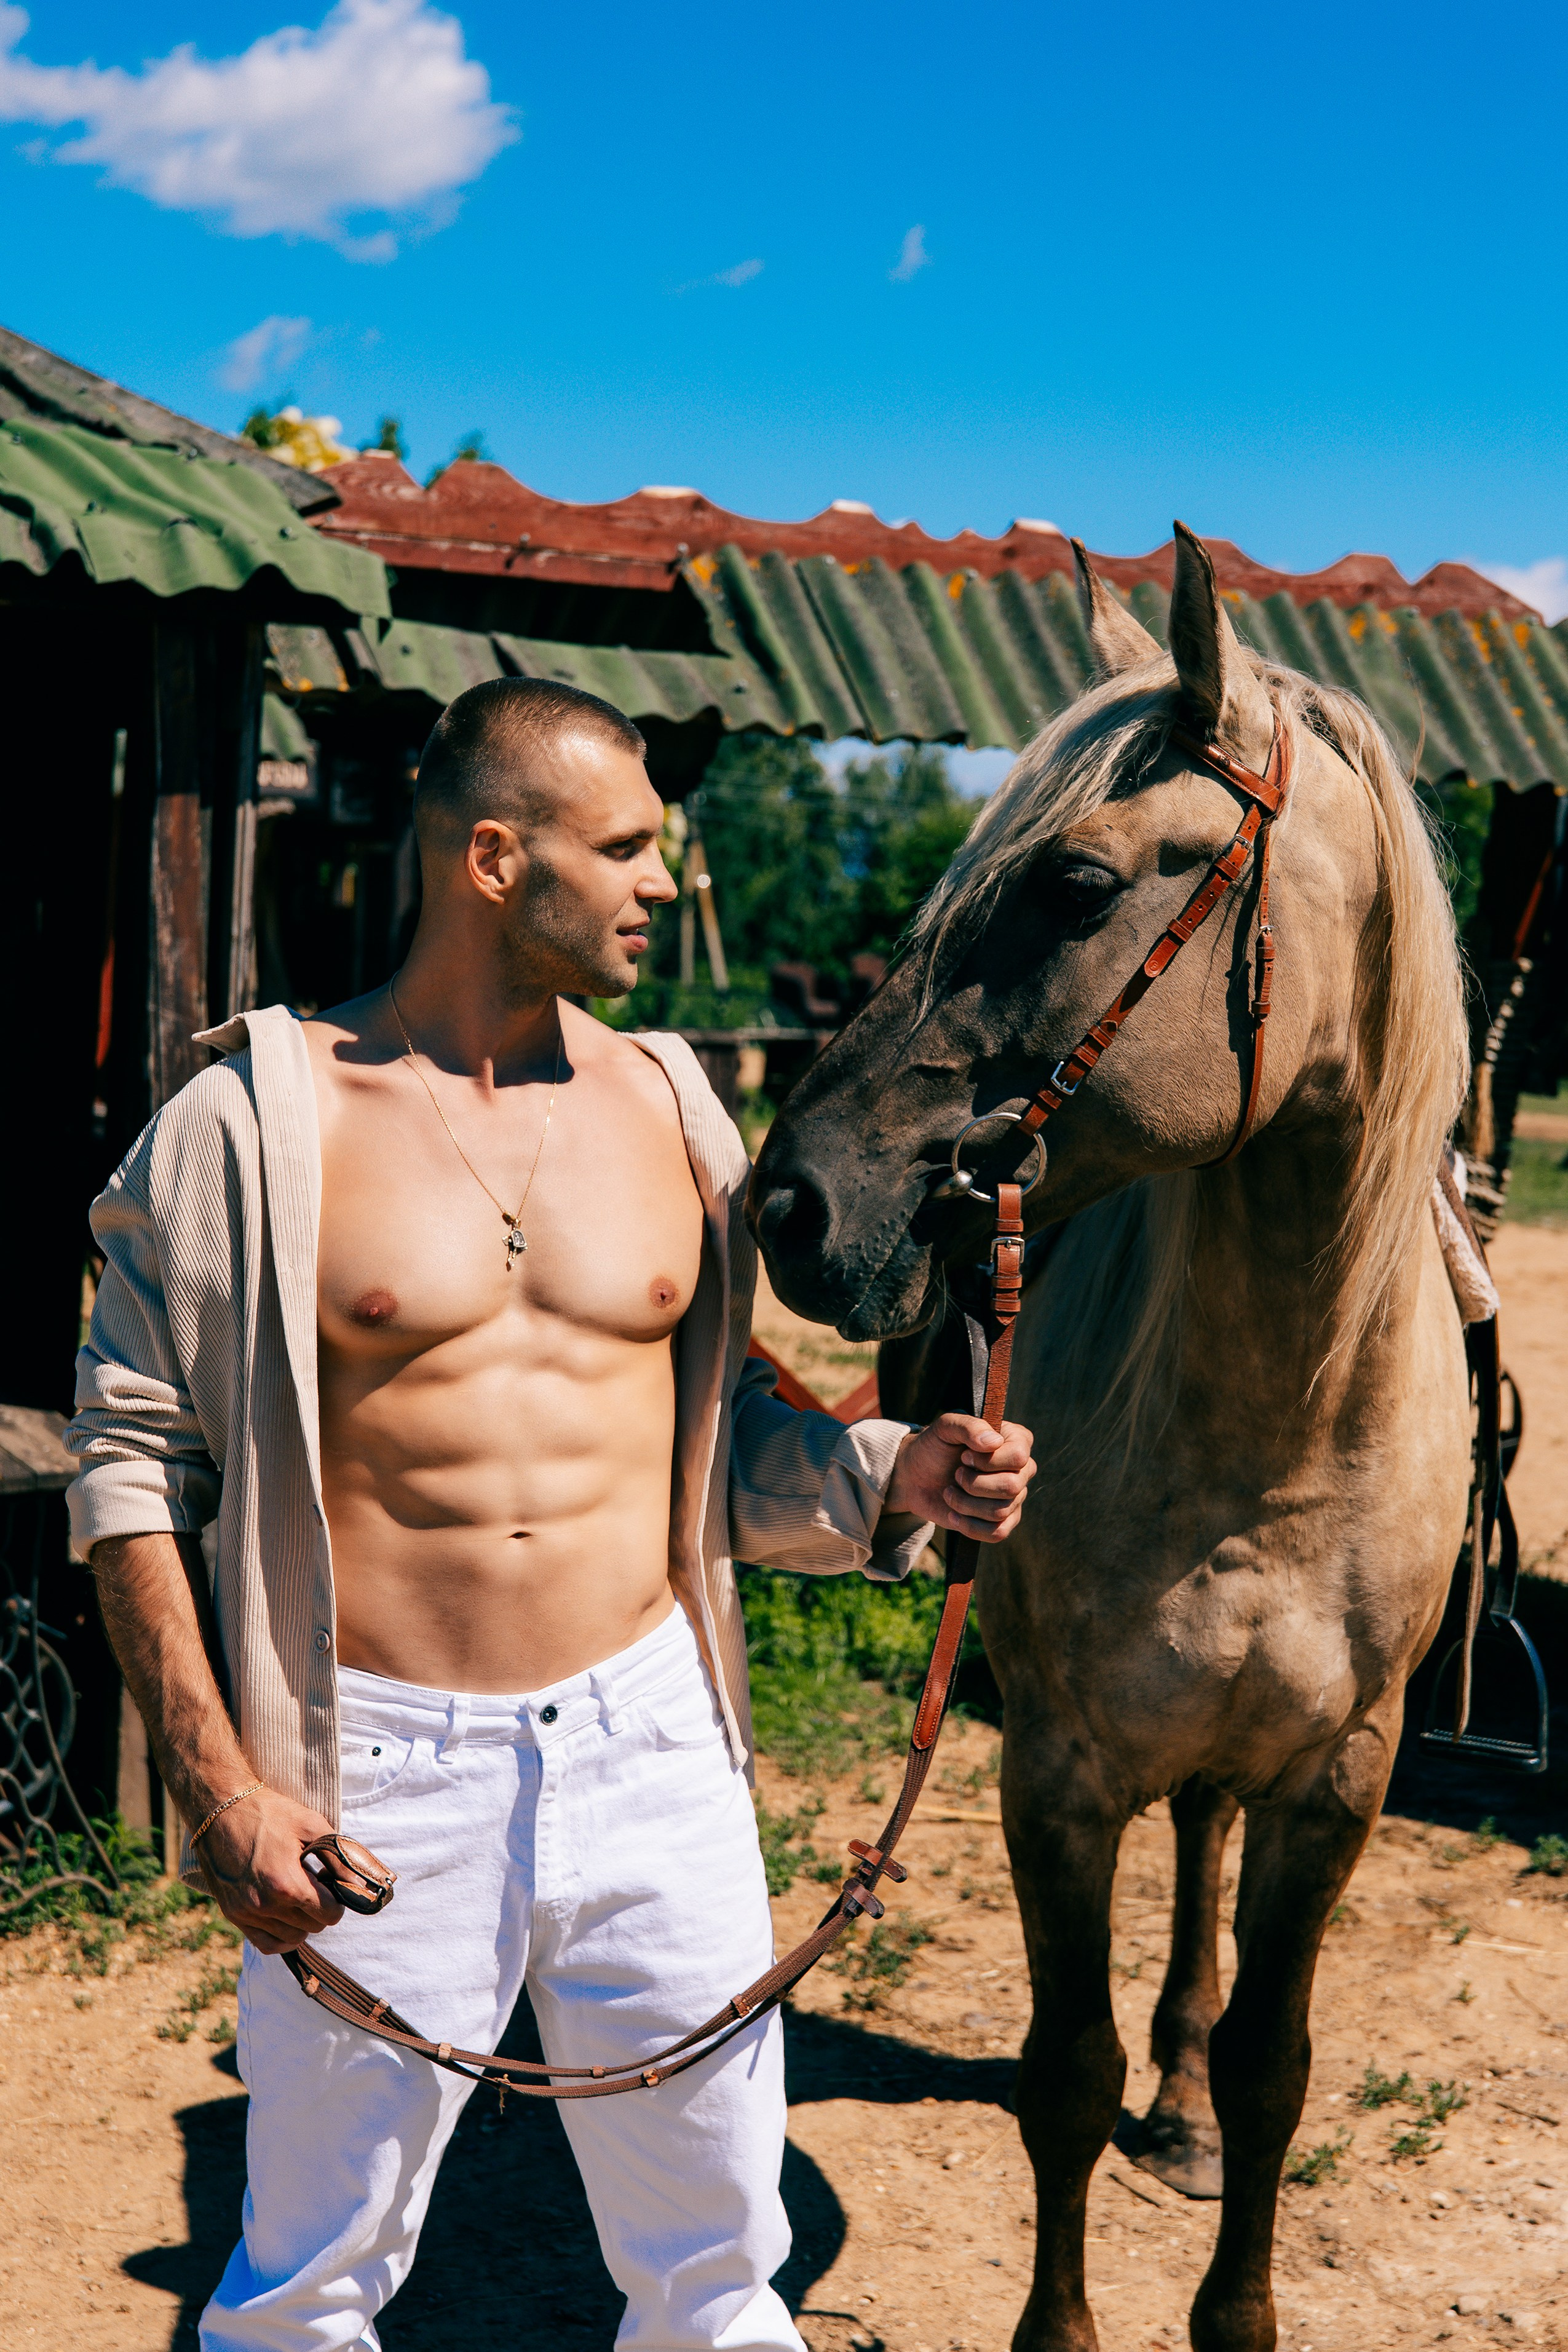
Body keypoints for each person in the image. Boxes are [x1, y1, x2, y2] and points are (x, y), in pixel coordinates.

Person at [66, 678, 1038, 2352]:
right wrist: (222, 1781)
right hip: (377, 1771)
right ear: (499, 857)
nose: (665, 882)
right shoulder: (244, 1129)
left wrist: (896, 1475)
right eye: (632, 847)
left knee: (724, 2275)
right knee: (306, 2284)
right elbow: (129, 1465)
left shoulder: (671, 1106)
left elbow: (712, 1431)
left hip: (653, 1739)